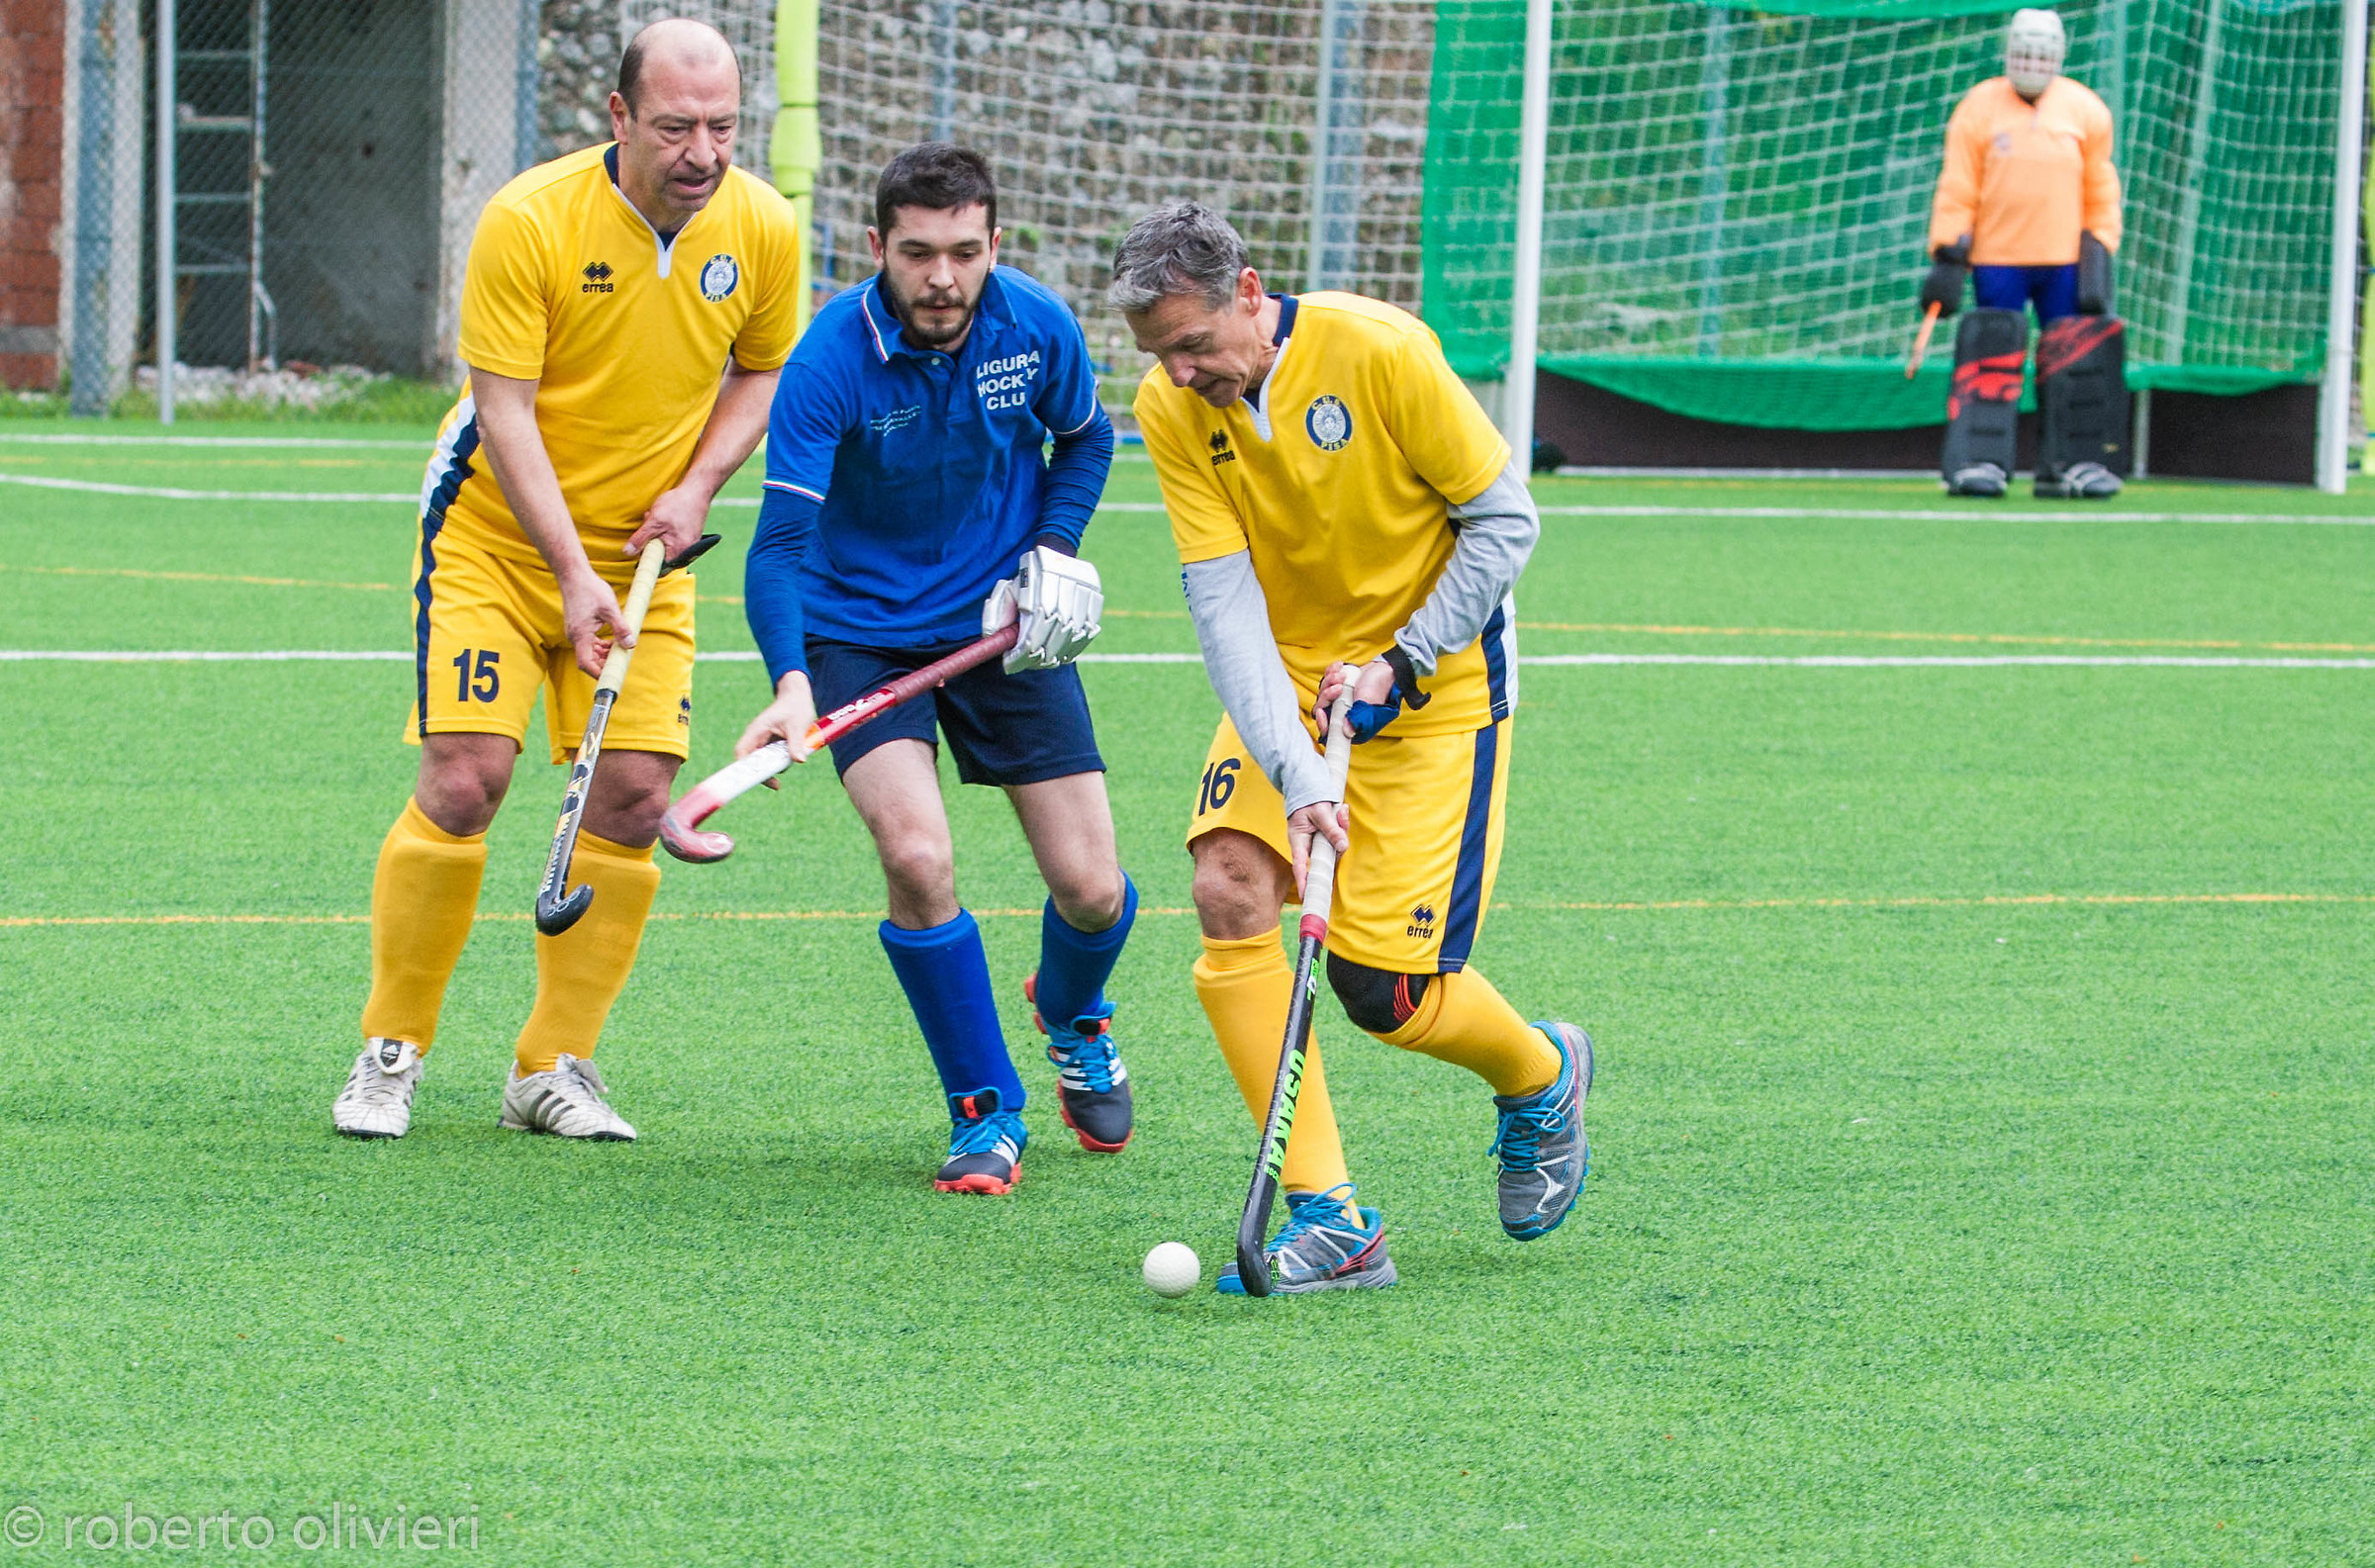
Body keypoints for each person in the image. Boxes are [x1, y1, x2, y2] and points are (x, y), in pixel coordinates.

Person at [332, 20, 802, 1141]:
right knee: (465, 779)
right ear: (621, 117)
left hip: (650, 548)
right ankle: (391, 1049)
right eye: (679, 127)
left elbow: (761, 370)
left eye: (725, 127)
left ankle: (553, 1067)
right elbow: (504, 412)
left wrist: (694, 491)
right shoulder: (529, 218)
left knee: (635, 798)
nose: (704, 153)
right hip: (497, 533)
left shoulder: (765, 227)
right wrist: (571, 570)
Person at [1111, 201, 1591, 1293]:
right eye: (1159, 356)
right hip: (1286, 675)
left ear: (1249, 292)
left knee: (1389, 993)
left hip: (1436, 689)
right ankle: (1332, 1217)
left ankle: (1542, 1070)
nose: (1182, 376)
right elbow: (1224, 606)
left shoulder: (1379, 350)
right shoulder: (1172, 408)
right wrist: (1296, 768)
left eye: (1193, 346)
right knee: (1227, 886)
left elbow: (1504, 521)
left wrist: (1404, 660)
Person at [733, 144, 1133, 1196]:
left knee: (1093, 890)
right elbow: (776, 548)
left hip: (1003, 625)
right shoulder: (830, 360)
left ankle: (1073, 1010)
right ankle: (985, 1108)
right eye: (918, 253)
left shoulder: (1036, 324)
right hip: (858, 630)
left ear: (994, 244)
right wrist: (790, 682)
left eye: (965, 252)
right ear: (877, 249)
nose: (943, 278)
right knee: (916, 858)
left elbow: (1086, 442)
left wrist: (1053, 548)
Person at [1922, 8, 2126, 500]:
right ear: (2008, 52)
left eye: (2042, 53)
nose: (2032, 62)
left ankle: (2073, 464)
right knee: (1991, 359)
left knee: (2075, 362)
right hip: (1998, 258)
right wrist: (1948, 247)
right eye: (2023, 52)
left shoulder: (2086, 110)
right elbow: (1958, 184)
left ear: (2058, 56)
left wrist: (2101, 241)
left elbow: (2100, 185)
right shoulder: (1979, 107)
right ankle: (1979, 461)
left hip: (2065, 262)